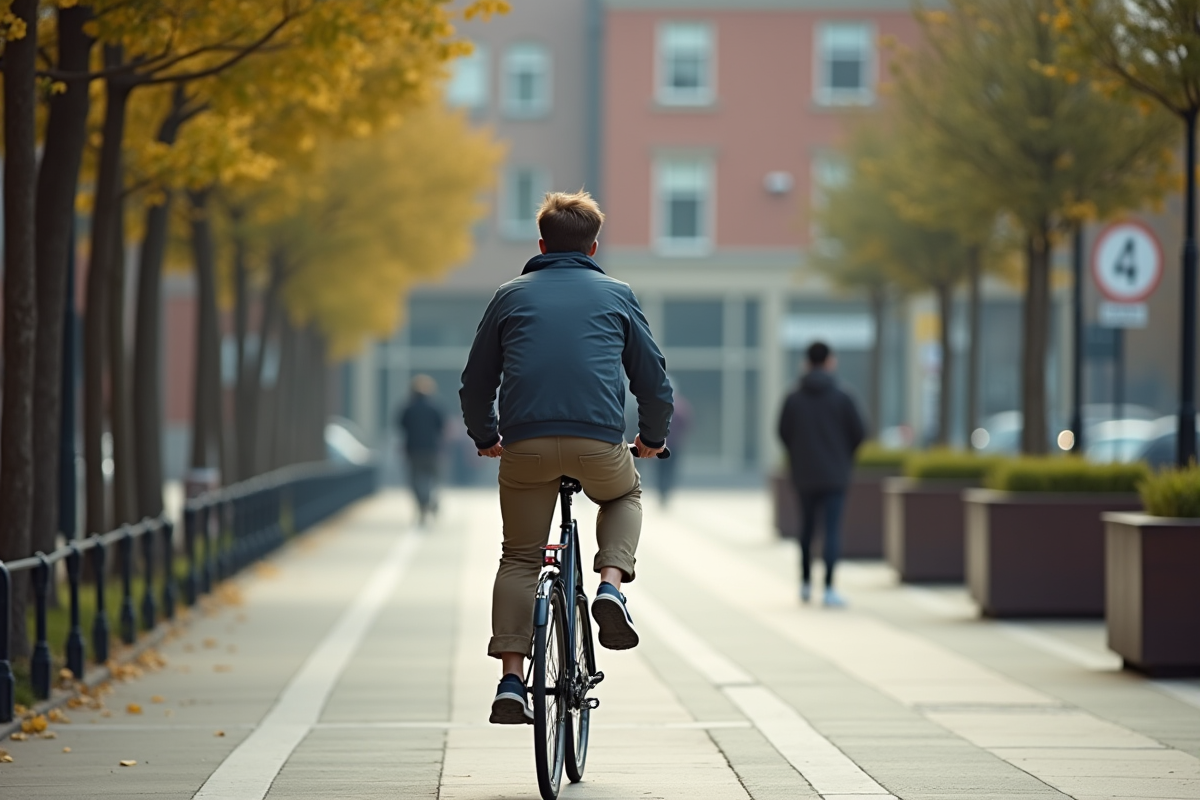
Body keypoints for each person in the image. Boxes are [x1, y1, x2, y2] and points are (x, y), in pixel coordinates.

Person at [460, 190, 673, 725]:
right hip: (597, 442)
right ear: (593, 246)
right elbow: (653, 380)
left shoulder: (509, 296)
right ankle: (609, 585)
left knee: (520, 557)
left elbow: (475, 382)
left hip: (525, 444)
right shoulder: (618, 294)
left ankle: (511, 681)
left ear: (540, 243)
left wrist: (486, 436)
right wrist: (650, 437)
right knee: (625, 492)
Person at [777, 341, 865, 608]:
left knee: (806, 528)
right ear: (829, 361)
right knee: (831, 530)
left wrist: (798, 455)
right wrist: (843, 457)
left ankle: (804, 584)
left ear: (806, 362)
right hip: (835, 475)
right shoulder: (843, 396)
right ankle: (828, 588)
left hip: (804, 473)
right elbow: (859, 432)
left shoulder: (793, 397)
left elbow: (782, 431)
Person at [396, 374, 446, 526]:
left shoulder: (407, 409)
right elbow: (441, 427)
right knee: (434, 480)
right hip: (432, 450)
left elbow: (401, 427)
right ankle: (431, 501)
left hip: (413, 450)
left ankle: (423, 503)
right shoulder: (435, 408)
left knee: (414, 481)